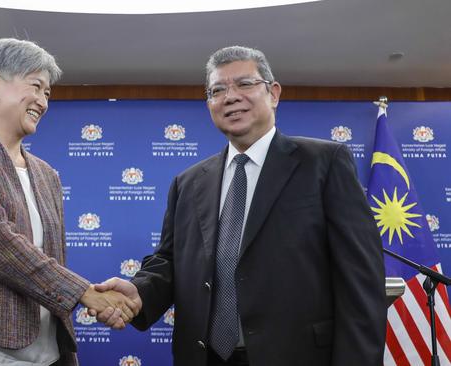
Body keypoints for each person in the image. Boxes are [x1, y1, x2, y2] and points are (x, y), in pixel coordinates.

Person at [94, 46, 386, 366]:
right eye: (218, 90)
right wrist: (140, 293)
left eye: (244, 84)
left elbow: (361, 281)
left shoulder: (324, 163)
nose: (230, 97)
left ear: (273, 93)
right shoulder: (188, 183)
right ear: (209, 104)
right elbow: (170, 261)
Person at [0, 38, 139, 366]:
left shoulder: (47, 175)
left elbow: (50, 264)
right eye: (36, 86)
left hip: (47, 357)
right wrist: (84, 293)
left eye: (47, 93)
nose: (43, 101)